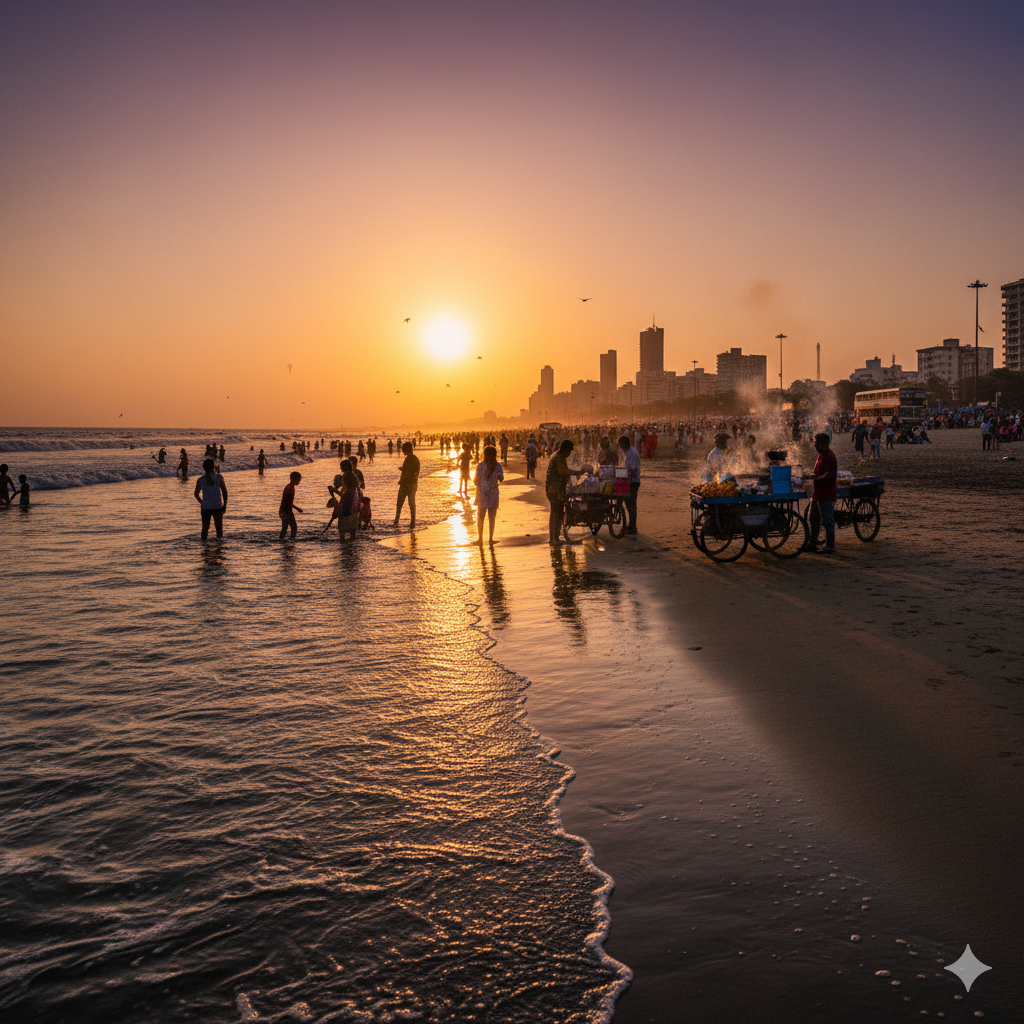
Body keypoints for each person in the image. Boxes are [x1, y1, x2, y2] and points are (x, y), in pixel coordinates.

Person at [545, 439, 581, 544]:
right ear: (564, 449)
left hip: (554, 489)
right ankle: (554, 539)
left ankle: (554, 538)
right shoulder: (559, 458)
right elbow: (563, 471)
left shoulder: (556, 456)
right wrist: (577, 472)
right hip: (555, 490)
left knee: (556, 514)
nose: (569, 453)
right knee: (556, 514)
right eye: (569, 451)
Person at [807, 432, 837, 554]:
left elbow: (827, 475)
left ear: (824, 444)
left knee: (827, 521)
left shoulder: (830, 456)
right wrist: (811, 476)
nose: (815, 445)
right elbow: (818, 473)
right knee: (813, 518)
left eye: (817, 443)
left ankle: (830, 546)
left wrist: (814, 478)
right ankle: (812, 544)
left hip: (826, 493)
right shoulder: (821, 455)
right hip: (817, 493)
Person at [474, 444, 504, 544]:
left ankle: (480, 539)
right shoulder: (498, 465)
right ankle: (491, 539)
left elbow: (475, 480)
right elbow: (501, 478)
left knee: (480, 517)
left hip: (482, 493)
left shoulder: (480, 465)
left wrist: (482, 485)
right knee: (492, 517)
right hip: (493, 493)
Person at [193, 459, 228, 540]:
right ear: (213, 467)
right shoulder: (218, 477)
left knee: (205, 529)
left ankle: (204, 548)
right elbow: (224, 492)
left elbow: (196, 494)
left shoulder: (201, 480)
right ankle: (219, 549)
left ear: (204, 468)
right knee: (219, 530)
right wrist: (225, 504)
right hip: (217, 506)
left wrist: (202, 502)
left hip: (206, 507)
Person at [618, 434, 641, 535]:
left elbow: (631, 470)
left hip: (633, 482)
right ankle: (631, 525)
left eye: (620, 445)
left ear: (623, 444)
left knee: (631, 505)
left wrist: (622, 476)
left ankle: (633, 527)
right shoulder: (629, 452)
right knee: (629, 504)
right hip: (631, 481)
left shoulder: (632, 453)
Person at [394, 441, 420, 529]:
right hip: (412, 483)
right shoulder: (414, 458)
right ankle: (412, 522)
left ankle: (396, 521)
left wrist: (404, 471)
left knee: (400, 504)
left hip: (407, 484)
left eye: (403, 449)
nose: (402, 451)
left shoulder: (409, 459)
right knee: (411, 503)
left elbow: (410, 472)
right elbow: (414, 471)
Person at [278, 471, 304, 540]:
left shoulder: (290, 487)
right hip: (286, 511)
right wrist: (297, 508)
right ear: (293, 479)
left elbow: (288, 501)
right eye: (298, 480)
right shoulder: (290, 488)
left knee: (285, 528)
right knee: (293, 527)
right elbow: (287, 502)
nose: (299, 482)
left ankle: (283, 540)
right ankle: (291, 540)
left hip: (284, 510)